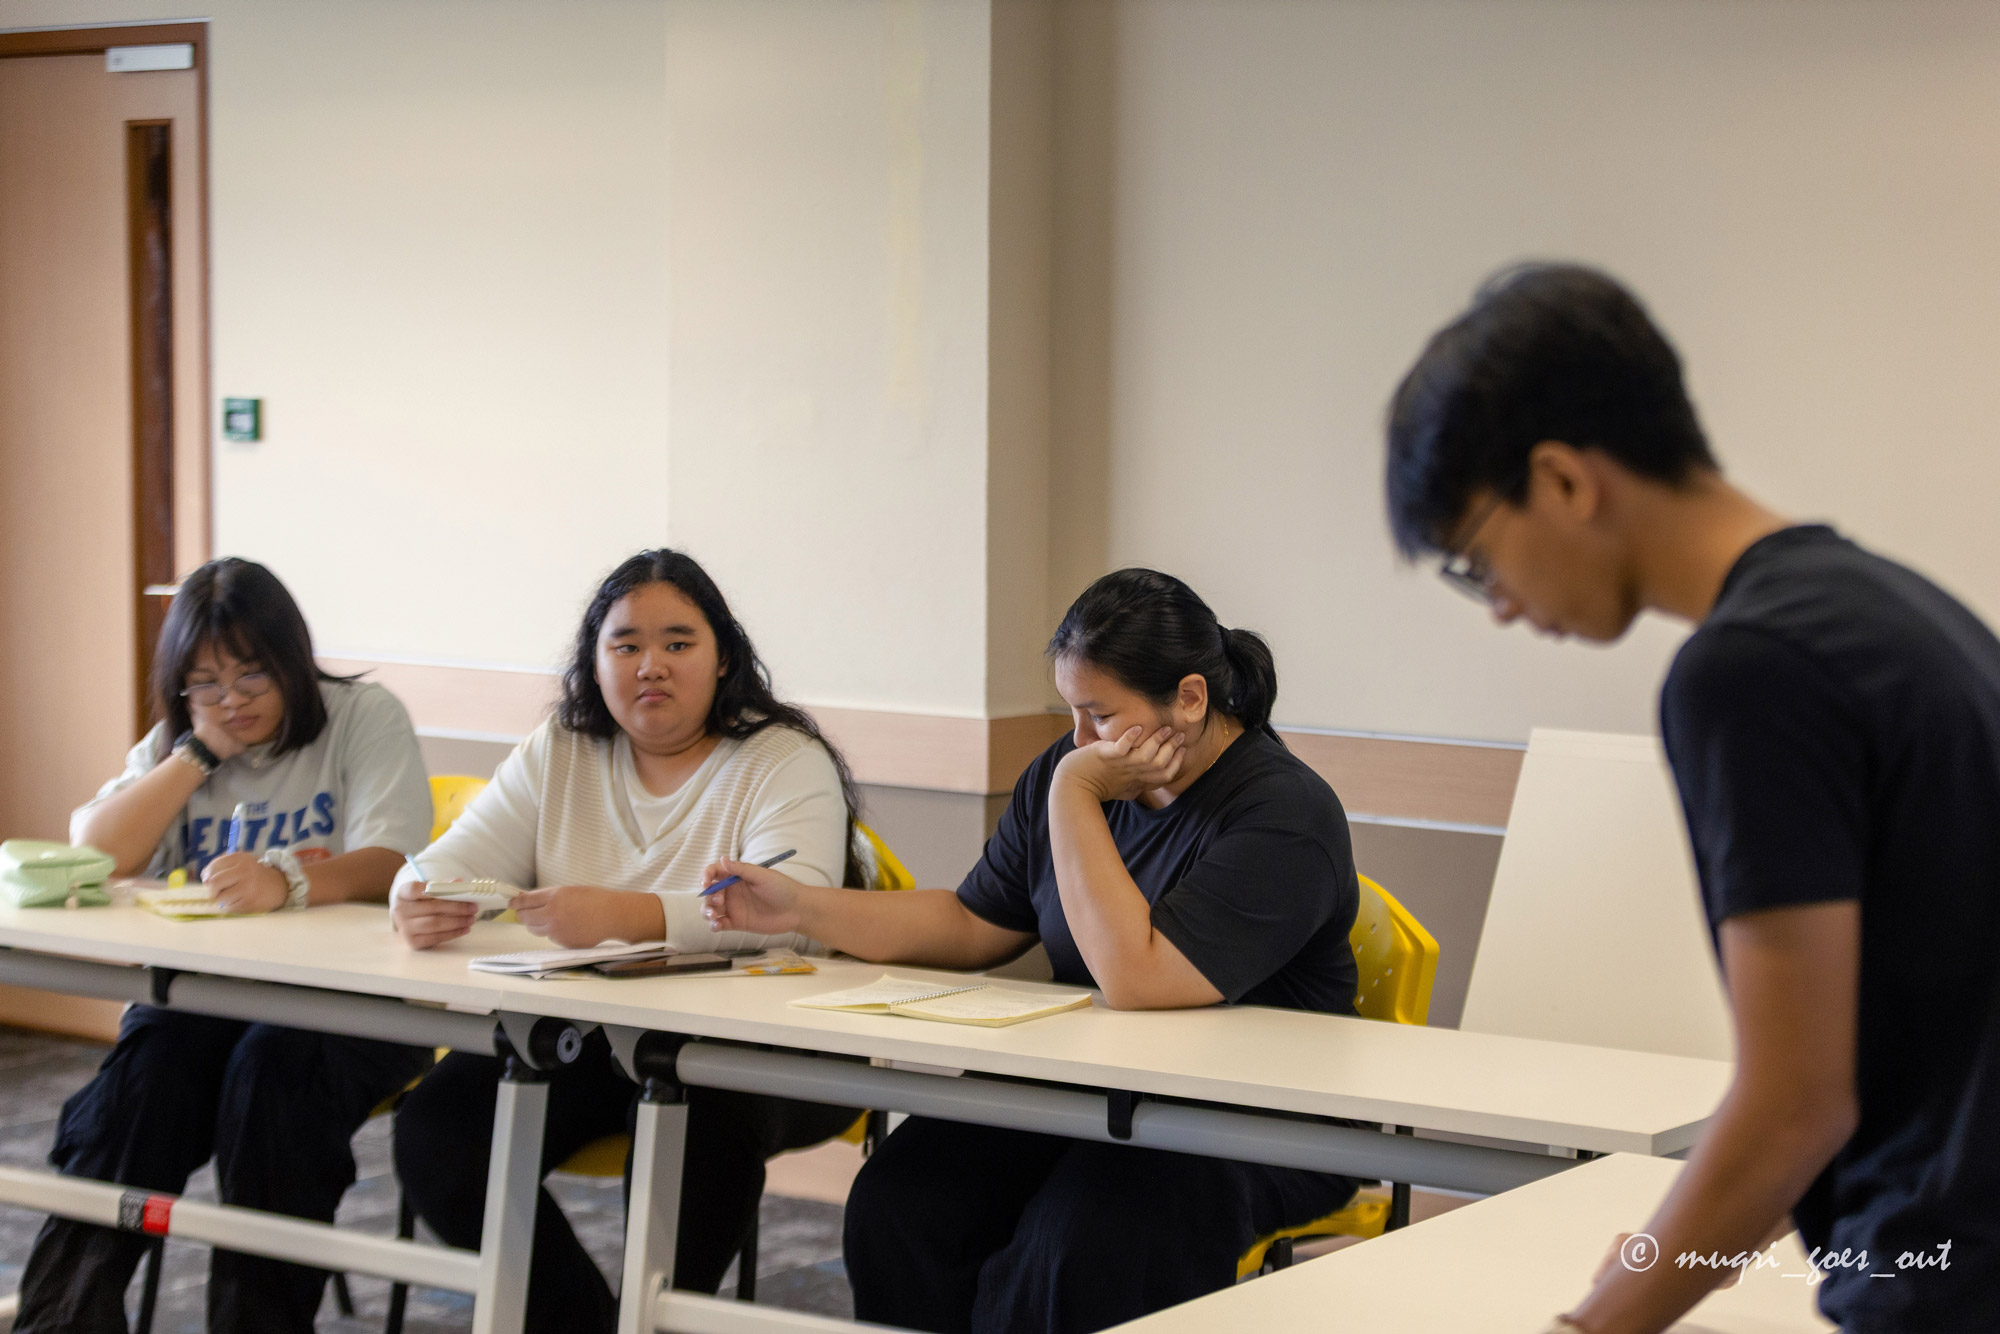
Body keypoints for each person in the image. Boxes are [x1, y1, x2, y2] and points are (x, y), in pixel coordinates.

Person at [1384, 263, 2000, 1334]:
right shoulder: (1896, 609)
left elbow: (1794, 1104)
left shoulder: (1746, 670)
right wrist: (1658, 1252)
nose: (1499, 607)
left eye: (1478, 559)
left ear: (1564, 481)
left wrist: (1594, 1322)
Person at [703, 568, 1363, 1334]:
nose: (1077, 739)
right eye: (1071, 714)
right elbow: (971, 923)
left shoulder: (1284, 814)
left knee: (1082, 1241)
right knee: (901, 1202)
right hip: (1099, 1092)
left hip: (1251, 1118)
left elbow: (1139, 979)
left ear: (1189, 697)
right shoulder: (1073, 768)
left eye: (1098, 714)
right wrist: (801, 908)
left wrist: (1075, 795)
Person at [388, 549, 861, 1332]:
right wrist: (416, 895)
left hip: (756, 1052)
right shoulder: (564, 748)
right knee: (442, 1130)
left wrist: (627, 916)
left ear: (724, 659)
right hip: (593, 1037)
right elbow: (449, 862)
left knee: (692, 1138)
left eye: (679, 643)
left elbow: (788, 909)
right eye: (626, 644)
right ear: (594, 660)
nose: (652, 666)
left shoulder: (783, 758)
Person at [13, 557, 435, 1334]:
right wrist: (198, 753)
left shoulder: (361, 716)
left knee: (271, 1077)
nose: (231, 700)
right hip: (208, 1000)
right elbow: (97, 850)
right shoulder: (188, 740)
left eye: (252, 675)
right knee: (140, 1085)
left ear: (293, 662)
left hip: (351, 1009)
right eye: (204, 683)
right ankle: (61, 1322)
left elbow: (395, 862)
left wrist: (291, 882)